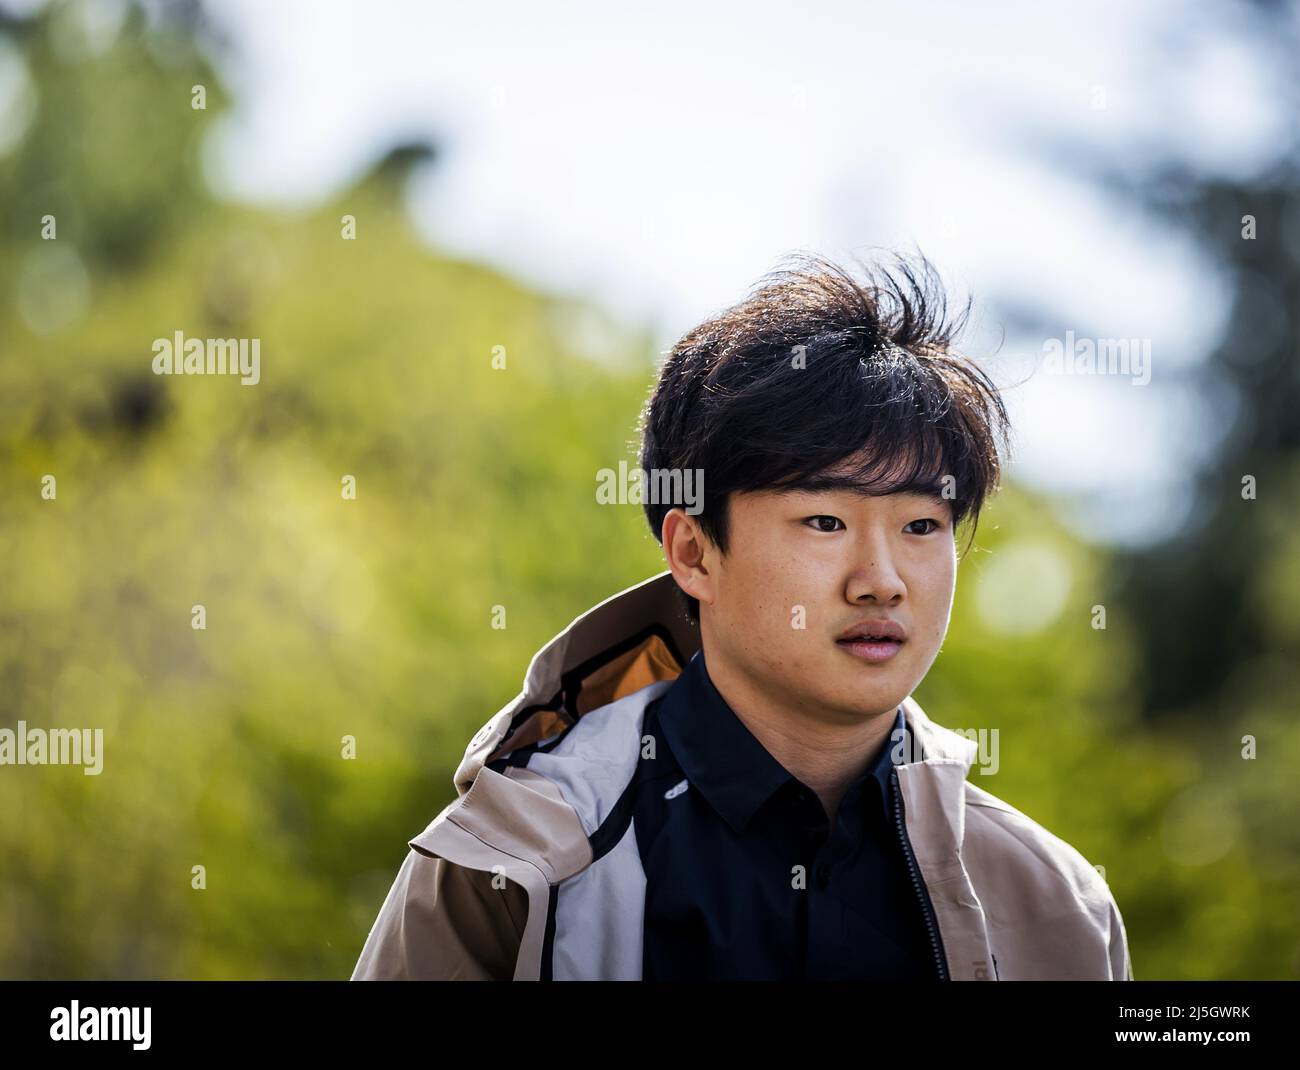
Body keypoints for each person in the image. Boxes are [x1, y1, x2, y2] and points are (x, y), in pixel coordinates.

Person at [351, 251, 1134, 981]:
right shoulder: (512, 862)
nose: (882, 581)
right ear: (693, 552)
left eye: (922, 526)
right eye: (825, 522)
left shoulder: (1055, 903)